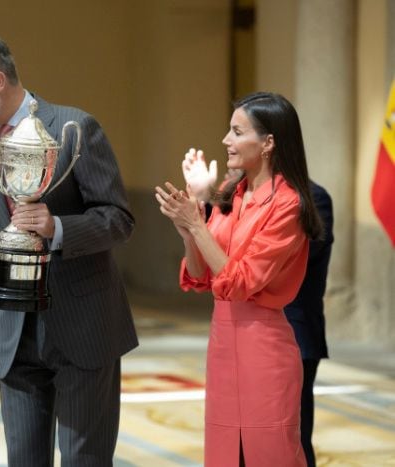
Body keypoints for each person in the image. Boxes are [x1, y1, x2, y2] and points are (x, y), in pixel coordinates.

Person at [0, 32, 138, 466]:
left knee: (86, 460)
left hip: (83, 327)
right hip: (14, 334)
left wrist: (58, 227)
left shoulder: (74, 128)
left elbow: (119, 219)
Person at [155, 92, 323, 466]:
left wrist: (197, 222)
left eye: (236, 132)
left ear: (268, 143)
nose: (225, 141)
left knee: (270, 455)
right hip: (223, 347)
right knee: (225, 457)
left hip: (265, 349)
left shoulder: (288, 203)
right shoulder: (233, 194)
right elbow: (200, 277)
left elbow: (241, 281)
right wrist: (189, 227)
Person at [284, 181, 333, 467]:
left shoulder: (313, 198)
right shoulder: (241, 195)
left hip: (295, 335)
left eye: (238, 133)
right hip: (242, 337)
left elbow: (285, 264)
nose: (228, 143)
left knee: (293, 442)